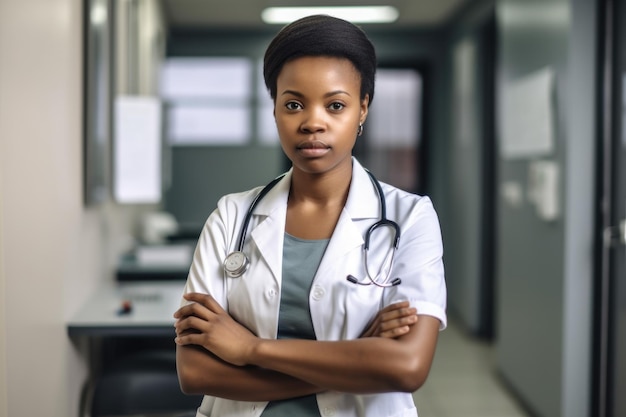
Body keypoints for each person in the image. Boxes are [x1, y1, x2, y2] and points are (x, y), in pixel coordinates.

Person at [174, 14, 447, 417]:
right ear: (275, 111)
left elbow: (406, 367)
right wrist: (357, 357)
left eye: (335, 105)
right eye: (294, 104)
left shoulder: (411, 218)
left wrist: (250, 348)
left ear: (363, 110)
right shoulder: (231, 217)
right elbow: (194, 372)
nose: (312, 122)